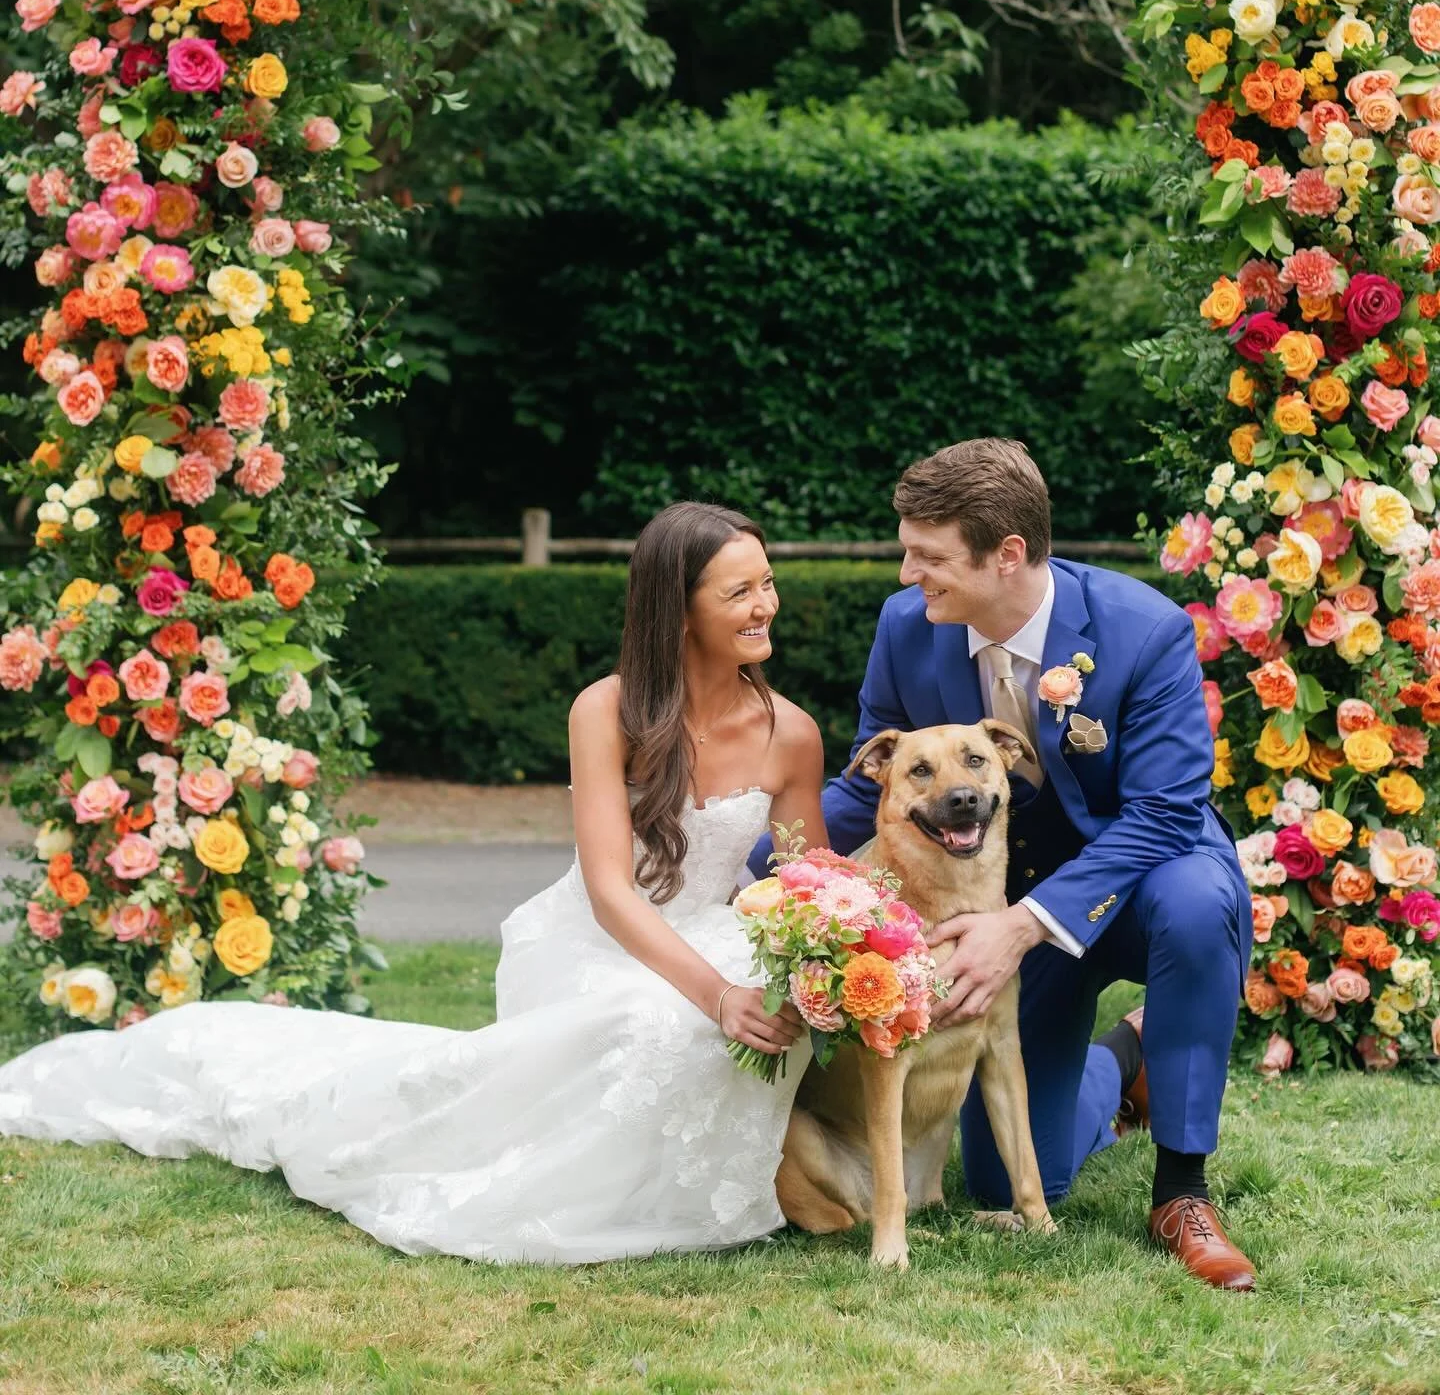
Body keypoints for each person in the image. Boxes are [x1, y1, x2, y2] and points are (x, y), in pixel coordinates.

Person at [0, 502, 826, 1265]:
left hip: (713, 933)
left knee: (764, 1005)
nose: (766, 606)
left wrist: (848, 948)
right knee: (656, 1018)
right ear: (678, 611)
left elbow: (809, 881)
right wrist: (715, 996)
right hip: (600, 944)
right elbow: (611, 892)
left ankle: (729, 1185)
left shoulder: (791, 733)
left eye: (768, 584)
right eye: (741, 591)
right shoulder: (604, 712)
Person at [748, 438, 1255, 1291]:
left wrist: (1020, 927)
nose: (909, 574)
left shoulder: (1145, 630)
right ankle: (1121, 1064)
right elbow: (871, 790)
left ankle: (1182, 1190)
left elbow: (1165, 812)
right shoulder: (906, 629)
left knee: (1200, 901)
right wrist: (771, 871)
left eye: (928, 555)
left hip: (1138, 882)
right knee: (1002, 1181)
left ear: (1007, 554)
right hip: (999, 908)